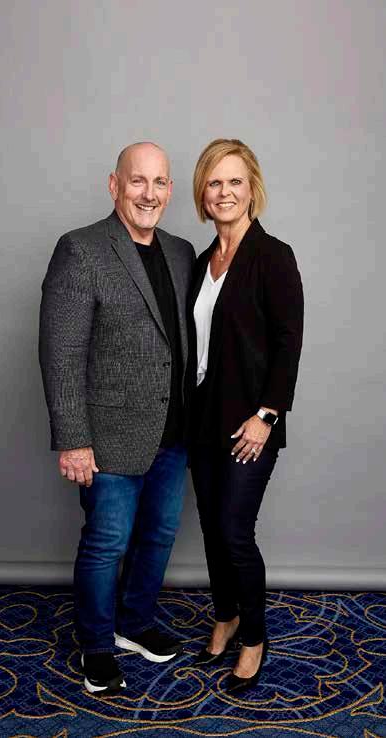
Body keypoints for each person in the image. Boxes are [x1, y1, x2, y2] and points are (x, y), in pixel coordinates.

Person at [39, 142, 196, 695]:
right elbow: (61, 353)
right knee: (107, 543)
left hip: (173, 431)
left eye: (160, 182)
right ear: (114, 185)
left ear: (170, 190)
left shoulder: (181, 252)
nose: (149, 193)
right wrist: (73, 440)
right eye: (138, 181)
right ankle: (97, 645)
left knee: (159, 535)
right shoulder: (80, 249)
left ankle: (134, 623)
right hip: (106, 437)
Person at [186, 138, 303, 693]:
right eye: (214, 182)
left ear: (252, 188)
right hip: (202, 419)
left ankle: (254, 636)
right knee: (212, 529)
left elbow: (287, 343)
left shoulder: (273, 255)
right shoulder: (200, 262)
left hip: (250, 423)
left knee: (235, 530)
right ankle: (226, 615)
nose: (225, 192)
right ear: (202, 194)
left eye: (235, 181)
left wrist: (267, 416)